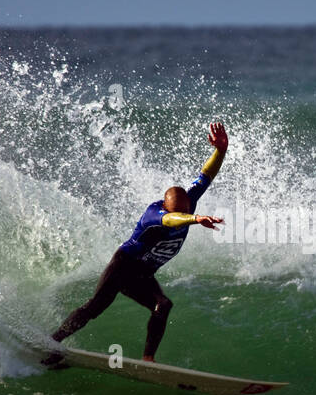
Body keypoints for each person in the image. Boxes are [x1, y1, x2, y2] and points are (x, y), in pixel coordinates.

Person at [44, 122, 228, 365]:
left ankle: (148, 359)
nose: (183, 218)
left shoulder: (188, 202)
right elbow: (172, 220)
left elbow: (205, 176)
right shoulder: (155, 214)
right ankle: (51, 341)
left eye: (188, 211)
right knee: (94, 309)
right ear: (165, 206)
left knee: (163, 305)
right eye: (180, 213)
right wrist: (194, 219)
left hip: (142, 274)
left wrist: (220, 151)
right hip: (122, 267)